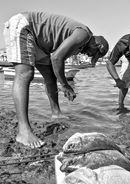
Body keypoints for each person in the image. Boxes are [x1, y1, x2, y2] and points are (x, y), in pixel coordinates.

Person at [3, 11, 109, 148]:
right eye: (92, 54)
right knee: (25, 74)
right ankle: (23, 131)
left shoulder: (80, 43)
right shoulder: (84, 34)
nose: (88, 55)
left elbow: (58, 59)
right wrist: (65, 85)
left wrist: (61, 81)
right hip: (25, 26)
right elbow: (57, 58)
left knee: (50, 77)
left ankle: (56, 113)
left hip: (40, 44)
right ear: (97, 45)